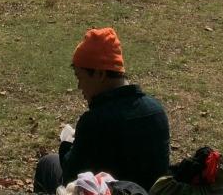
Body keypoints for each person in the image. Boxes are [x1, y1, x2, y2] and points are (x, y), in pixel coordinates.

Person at [34, 27, 170, 194]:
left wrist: (67, 144)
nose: (79, 86)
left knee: (48, 164)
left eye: (80, 77)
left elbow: (71, 178)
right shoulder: (156, 111)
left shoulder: (95, 121)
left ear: (99, 74)